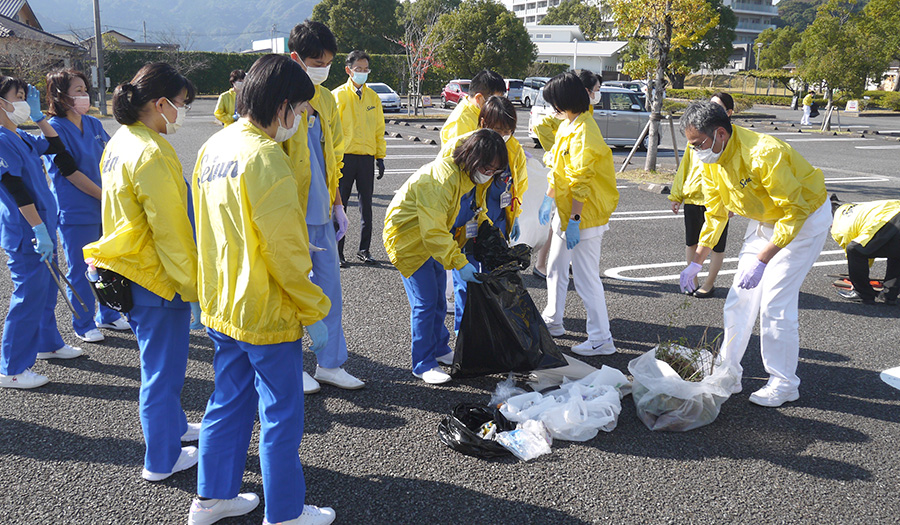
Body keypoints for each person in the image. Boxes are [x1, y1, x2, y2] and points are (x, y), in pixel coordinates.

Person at [188, 54, 335, 525]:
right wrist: (316, 311)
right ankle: (286, 513)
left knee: (227, 403)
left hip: (222, 303)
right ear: (284, 106)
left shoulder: (214, 146)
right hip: (265, 310)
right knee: (281, 415)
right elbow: (286, 254)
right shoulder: (266, 155)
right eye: (303, 111)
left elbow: (208, 228)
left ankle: (211, 499)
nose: (303, 119)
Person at [83, 63, 201, 480]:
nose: (183, 112)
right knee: (161, 373)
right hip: (157, 278)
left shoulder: (123, 140)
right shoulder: (152, 151)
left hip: (131, 269)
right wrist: (193, 288)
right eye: (182, 104)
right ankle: (162, 458)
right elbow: (170, 230)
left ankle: (172, 429)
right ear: (160, 103)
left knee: (160, 368)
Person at [678, 101, 830, 408]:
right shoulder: (710, 159)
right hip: (766, 219)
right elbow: (717, 213)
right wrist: (697, 261)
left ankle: (784, 383)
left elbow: (795, 211)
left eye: (697, 144)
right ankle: (729, 372)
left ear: (720, 134)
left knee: (775, 302)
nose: (694, 150)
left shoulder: (764, 153)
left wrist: (763, 260)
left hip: (804, 218)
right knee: (739, 299)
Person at [383, 129, 509, 385]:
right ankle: (422, 363)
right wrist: (460, 263)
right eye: (487, 167)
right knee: (426, 301)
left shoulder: (472, 178)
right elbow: (433, 232)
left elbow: (476, 211)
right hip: (409, 240)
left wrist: (492, 233)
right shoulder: (440, 180)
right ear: (473, 157)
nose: (490, 174)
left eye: (494, 171)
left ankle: (440, 348)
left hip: (435, 242)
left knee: (439, 298)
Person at [284, 20, 363, 394]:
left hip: (321, 211)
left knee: (330, 288)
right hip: (288, 214)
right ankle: (289, 364)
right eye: (317, 61)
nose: (323, 68)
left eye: (328, 61)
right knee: (288, 293)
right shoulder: (275, 94)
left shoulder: (325, 98)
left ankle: (330, 363)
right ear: (295, 57)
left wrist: (337, 201)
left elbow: (333, 154)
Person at [0, 77, 84, 389]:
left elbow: (57, 148)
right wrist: (37, 228)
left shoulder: (21, 136)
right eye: (18, 97)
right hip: (26, 232)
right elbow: (16, 188)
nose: (24, 101)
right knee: (28, 296)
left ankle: (48, 344)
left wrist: (39, 118)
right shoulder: (0, 139)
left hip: (43, 227)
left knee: (46, 291)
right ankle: (12, 368)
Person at [44, 68, 131, 342]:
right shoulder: (54, 129)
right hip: (76, 211)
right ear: (60, 96)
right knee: (82, 268)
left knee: (108, 264)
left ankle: (108, 315)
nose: (84, 95)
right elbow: (70, 173)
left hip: (104, 207)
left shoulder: (92, 123)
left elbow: (111, 157)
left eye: (85, 90)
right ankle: (83, 323)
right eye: (77, 91)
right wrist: (105, 196)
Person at [537, 72, 619, 356]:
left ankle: (601, 338)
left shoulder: (585, 131)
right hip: (566, 209)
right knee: (556, 267)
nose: (552, 109)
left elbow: (581, 182)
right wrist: (549, 201)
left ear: (565, 102)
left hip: (583, 215)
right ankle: (553, 319)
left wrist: (573, 221)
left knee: (585, 278)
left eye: (554, 103)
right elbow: (559, 170)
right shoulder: (569, 124)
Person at [442, 96, 528, 332]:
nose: (502, 135)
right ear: (482, 122)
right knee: (465, 281)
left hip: (497, 223)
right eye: (497, 129)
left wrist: (515, 215)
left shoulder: (515, 150)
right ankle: (465, 333)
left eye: (507, 130)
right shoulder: (471, 146)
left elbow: (518, 185)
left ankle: (493, 330)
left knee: (495, 278)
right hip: (466, 223)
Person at [532, 70, 602, 279]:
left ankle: (553, 306)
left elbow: (581, 173)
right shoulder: (572, 120)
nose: (598, 94)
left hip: (574, 191)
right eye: (597, 90)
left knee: (575, 271)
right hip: (568, 188)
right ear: (585, 91)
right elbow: (576, 174)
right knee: (558, 227)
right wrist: (557, 154)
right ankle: (541, 264)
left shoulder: (582, 120)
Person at [668, 92, 734, 298]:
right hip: (693, 195)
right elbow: (685, 166)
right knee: (692, 241)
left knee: (717, 244)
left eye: (718, 108)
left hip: (718, 201)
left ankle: (709, 283)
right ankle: (693, 280)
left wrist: (732, 203)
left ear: (729, 113)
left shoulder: (727, 142)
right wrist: (677, 194)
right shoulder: (696, 137)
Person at [333, 50, 386, 265]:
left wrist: (380, 157)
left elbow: (378, 129)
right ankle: (338, 252)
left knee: (367, 206)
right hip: (344, 158)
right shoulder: (337, 95)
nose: (363, 73)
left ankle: (364, 250)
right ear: (348, 70)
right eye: (359, 69)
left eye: (366, 69)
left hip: (366, 158)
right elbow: (331, 130)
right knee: (340, 206)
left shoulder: (373, 97)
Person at [831, 198, 900, 305]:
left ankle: (863, 294)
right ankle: (889, 294)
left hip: (892, 219)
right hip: (895, 212)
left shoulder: (839, 222)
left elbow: (857, 251)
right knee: (895, 251)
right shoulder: (855, 209)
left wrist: (858, 278)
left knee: (854, 251)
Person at [439, 69, 506, 146]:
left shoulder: (478, 110)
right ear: (479, 98)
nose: (498, 105)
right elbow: (460, 155)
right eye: (495, 101)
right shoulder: (461, 121)